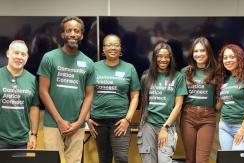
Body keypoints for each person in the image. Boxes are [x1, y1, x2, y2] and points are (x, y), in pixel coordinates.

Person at [37, 16, 95, 163]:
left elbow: (89, 95)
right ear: (62, 34)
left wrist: (80, 121)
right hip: (53, 123)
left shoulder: (88, 63)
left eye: (76, 31)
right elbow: (43, 91)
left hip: (77, 125)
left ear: (82, 35)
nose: (73, 34)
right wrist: (59, 120)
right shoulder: (49, 58)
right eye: (69, 30)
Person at [87, 34, 140, 163]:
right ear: (103, 50)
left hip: (120, 121)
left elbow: (135, 96)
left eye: (116, 45)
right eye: (109, 45)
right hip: (98, 121)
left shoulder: (129, 68)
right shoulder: (94, 67)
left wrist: (127, 119)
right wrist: (87, 118)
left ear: (120, 48)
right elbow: (87, 94)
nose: (113, 48)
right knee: (104, 159)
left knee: (121, 158)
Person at [138, 42, 188, 163]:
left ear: (171, 58)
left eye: (167, 56)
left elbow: (179, 105)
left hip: (167, 125)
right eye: (160, 56)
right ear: (155, 57)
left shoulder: (178, 76)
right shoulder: (146, 76)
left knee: (164, 161)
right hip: (148, 125)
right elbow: (142, 101)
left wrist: (165, 128)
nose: (163, 59)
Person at [216, 44, 244, 150]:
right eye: (225, 58)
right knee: (227, 160)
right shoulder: (224, 79)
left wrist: (243, 128)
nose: (228, 60)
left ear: (239, 58)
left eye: (232, 57)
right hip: (225, 127)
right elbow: (219, 105)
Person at [180, 37, 217, 163]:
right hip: (187, 117)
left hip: (208, 118)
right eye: (196, 51)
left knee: (202, 160)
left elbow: (223, 93)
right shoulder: (185, 72)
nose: (199, 54)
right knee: (190, 159)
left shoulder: (217, 71)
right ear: (192, 53)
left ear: (208, 53)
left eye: (202, 51)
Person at [0, 40, 40, 149]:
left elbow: (34, 107)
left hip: (22, 140)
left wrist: (34, 135)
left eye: (23, 54)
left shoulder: (32, 79)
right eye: (16, 53)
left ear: (27, 57)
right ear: (8, 53)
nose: (20, 57)